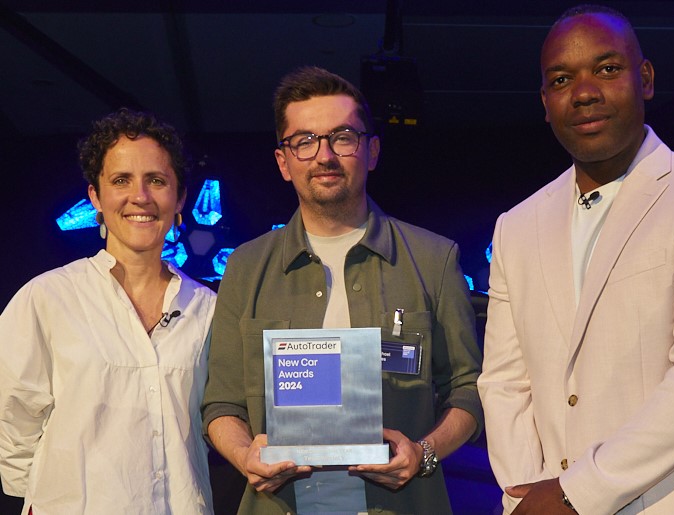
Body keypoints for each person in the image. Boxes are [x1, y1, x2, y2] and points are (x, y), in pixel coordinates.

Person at [478, 4, 674, 515]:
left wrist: (575, 494)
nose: (585, 91)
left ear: (645, 78)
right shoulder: (516, 225)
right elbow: (503, 382)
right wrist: (529, 493)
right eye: (562, 79)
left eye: (607, 69)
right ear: (545, 102)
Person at [202, 66, 483, 514]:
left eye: (343, 137)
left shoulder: (434, 259)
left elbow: (469, 390)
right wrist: (242, 455)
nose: (324, 155)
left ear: (371, 151)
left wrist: (424, 452)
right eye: (305, 141)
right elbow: (221, 403)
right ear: (283, 161)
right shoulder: (246, 267)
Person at [0, 109, 217, 514]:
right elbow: (11, 424)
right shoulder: (48, 298)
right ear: (96, 198)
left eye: (157, 180)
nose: (141, 197)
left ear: (180, 196)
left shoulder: (207, 309)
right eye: (121, 181)